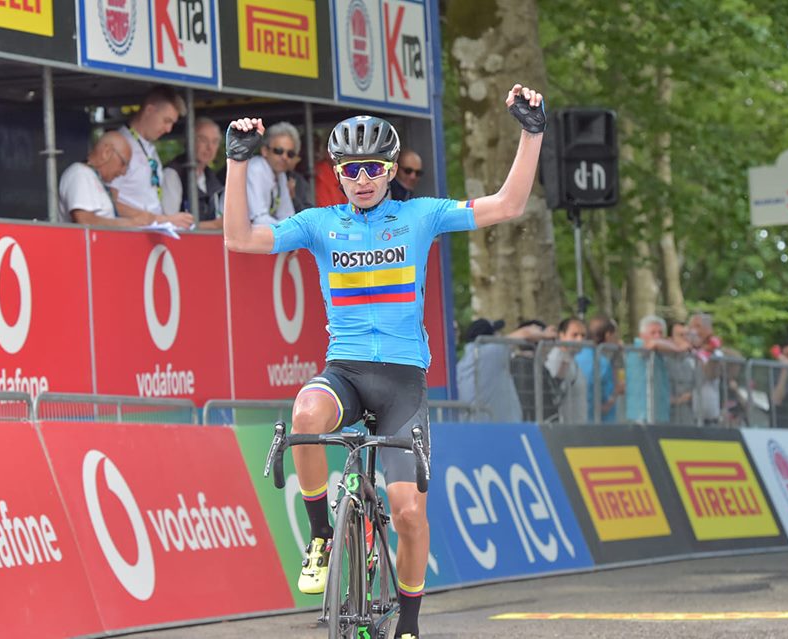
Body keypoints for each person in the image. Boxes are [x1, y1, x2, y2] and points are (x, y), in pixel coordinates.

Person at [222, 84, 547, 639]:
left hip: (402, 383)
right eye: (351, 170)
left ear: (392, 169)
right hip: (345, 372)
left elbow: (508, 205)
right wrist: (235, 164)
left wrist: (531, 133)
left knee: (410, 516)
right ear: (338, 173)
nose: (363, 178)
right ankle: (323, 533)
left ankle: (411, 624)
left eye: (374, 168)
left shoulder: (421, 215)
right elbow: (238, 238)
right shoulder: (319, 223)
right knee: (303, 416)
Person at [111, 84, 194, 228]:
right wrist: (160, 219)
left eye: (172, 124)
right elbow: (110, 202)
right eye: (166, 121)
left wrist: (164, 220)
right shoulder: (120, 143)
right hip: (127, 234)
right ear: (149, 111)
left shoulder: (150, 147)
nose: (169, 129)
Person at [59, 131, 146, 227]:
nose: (123, 172)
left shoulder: (94, 178)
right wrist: (128, 223)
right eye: (123, 163)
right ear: (106, 152)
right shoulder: (79, 173)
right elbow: (84, 220)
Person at [161, 117, 224, 229]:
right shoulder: (173, 174)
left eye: (215, 142)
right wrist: (213, 225)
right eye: (203, 140)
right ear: (189, 140)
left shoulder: (211, 179)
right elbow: (169, 225)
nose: (210, 147)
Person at [456, 318, 522, 423]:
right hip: (499, 428)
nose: (499, 335)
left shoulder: (462, 364)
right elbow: (524, 334)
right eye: (496, 333)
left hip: (473, 427)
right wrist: (544, 334)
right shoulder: (490, 352)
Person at [625, 315, 688, 424]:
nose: (657, 336)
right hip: (641, 414)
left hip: (660, 413)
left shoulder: (662, 352)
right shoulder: (637, 347)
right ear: (641, 335)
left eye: (660, 333)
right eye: (653, 333)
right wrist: (677, 348)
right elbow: (653, 344)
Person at [245, 121, 300, 225]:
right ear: (265, 151)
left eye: (290, 153)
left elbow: (287, 215)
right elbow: (259, 219)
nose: (284, 157)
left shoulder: (281, 174)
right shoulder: (255, 169)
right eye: (278, 151)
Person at [544, 317, 589, 424]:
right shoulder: (556, 358)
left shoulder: (572, 359)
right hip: (565, 430)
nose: (580, 340)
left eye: (583, 335)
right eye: (574, 335)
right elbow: (554, 390)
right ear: (562, 335)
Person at [575, 315, 619, 423]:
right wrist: (617, 392)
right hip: (601, 428)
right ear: (608, 335)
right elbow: (605, 405)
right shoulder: (602, 363)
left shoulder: (576, 356)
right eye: (615, 335)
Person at [689, 312, 724, 425]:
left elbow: (710, 374)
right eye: (691, 327)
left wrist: (708, 350)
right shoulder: (685, 351)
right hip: (687, 415)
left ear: (708, 330)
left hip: (709, 416)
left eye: (697, 326)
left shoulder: (716, 353)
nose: (693, 331)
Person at [666, 320, 698, 425]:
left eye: (687, 335)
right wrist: (679, 400)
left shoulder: (693, 361)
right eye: (681, 335)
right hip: (668, 421)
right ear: (670, 339)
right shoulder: (662, 362)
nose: (685, 339)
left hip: (689, 420)